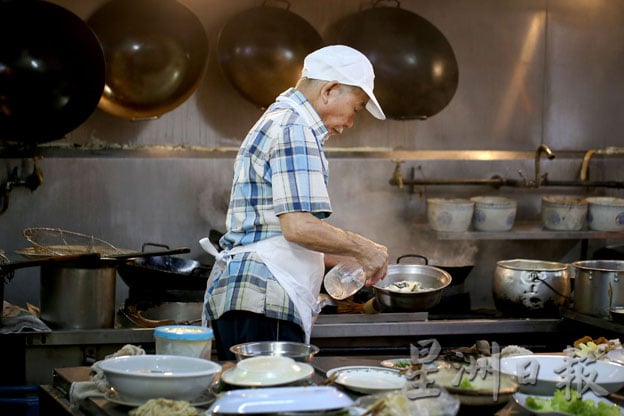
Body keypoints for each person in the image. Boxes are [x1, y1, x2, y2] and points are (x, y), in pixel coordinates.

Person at [201, 45, 389, 360]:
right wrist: (365, 249)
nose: (350, 122)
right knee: (274, 402)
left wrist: (347, 258)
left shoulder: (282, 119)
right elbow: (298, 227)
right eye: (356, 108)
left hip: (248, 298)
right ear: (330, 90)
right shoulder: (295, 128)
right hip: (262, 299)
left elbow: (271, 230)